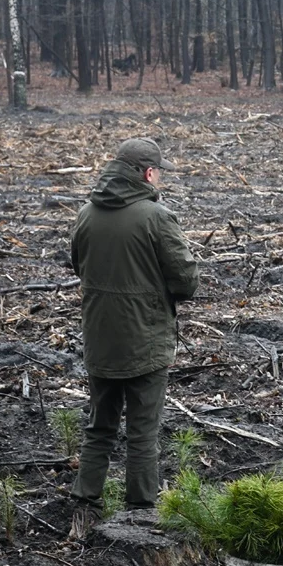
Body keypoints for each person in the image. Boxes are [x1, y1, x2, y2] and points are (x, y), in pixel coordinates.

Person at [70, 137, 199, 525]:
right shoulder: (156, 217)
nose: (160, 179)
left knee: (100, 426)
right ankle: (141, 512)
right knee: (143, 432)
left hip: (100, 340)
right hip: (146, 341)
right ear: (146, 173)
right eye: (159, 172)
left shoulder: (86, 214)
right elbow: (186, 280)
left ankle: (85, 504)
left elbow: (78, 265)